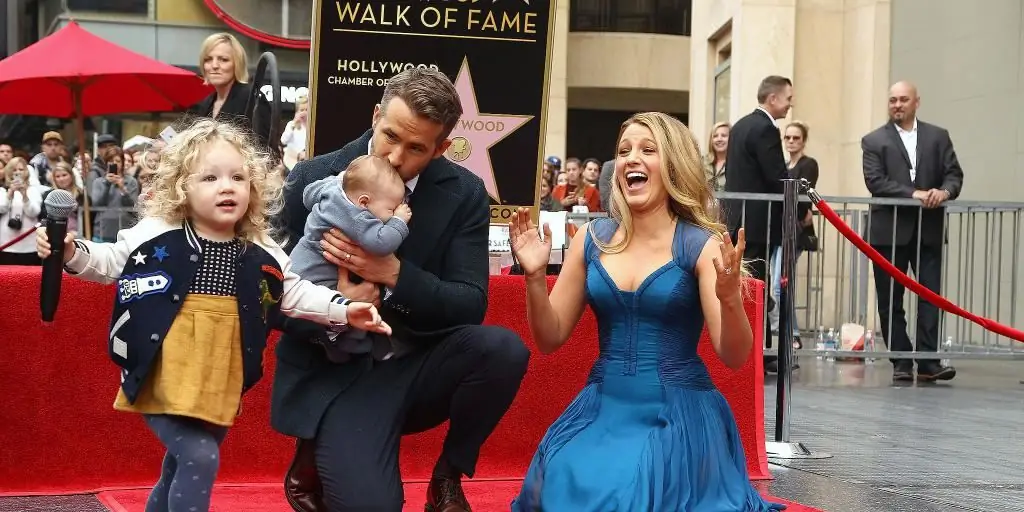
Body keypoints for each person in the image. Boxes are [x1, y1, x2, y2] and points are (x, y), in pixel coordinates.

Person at [34, 119, 391, 512]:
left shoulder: (259, 248)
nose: (227, 186)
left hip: (221, 377)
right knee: (199, 457)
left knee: (181, 464)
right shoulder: (158, 232)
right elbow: (109, 261)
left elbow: (293, 292)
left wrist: (343, 309)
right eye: (210, 177)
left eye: (238, 177)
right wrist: (70, 252)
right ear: (183, 187)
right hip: (162, 372)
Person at [271, 67, 530, 512]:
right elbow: (269, 298)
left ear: (441, 148)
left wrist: (393, 274)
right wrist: (337, 310)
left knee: (504, 349)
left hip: (418, 364)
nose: (394, 157)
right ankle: (314, 450)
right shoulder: (313, 179)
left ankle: (448, 476)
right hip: (337, 375)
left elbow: (470, 304)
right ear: (375, 116)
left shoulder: (465, 192)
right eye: (390, 135)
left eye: (416, 148)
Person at [507, 112, 785, 511]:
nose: (630, 159)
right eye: (623, 151)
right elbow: (549, 338)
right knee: (561, 479)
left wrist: (728, 297)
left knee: (626, 493)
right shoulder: (590, 239)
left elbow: (734, 355)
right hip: (602, 407)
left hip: (677, 413)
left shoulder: (701, 244)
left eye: (646, 149)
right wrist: (534, 276)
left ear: (673, 165)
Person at [862, 81, 962, 382]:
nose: (897, 105)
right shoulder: (873, 140)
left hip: (928, 230)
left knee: (931, 296)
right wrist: (915, 194)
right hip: (888, 232)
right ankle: (902, 361)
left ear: (917, 102)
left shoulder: (938, 136)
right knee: (890, 300)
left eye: (903, 99)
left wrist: (944, 192)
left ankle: (929, 361)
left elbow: (954, 174)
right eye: (892, 100)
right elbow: (875, 182)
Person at [289, 154, 412, 363]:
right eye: (390, 209)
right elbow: (381, 243)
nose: (391, 214)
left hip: (300, 264)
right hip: (317, 275)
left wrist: (341, 179)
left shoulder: (332, 188)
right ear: (364, 202)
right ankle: (348, 346)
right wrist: (399, 221)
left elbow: (308, 195)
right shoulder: (357, 216)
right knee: (344, 307)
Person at [723, 75, 793, 374]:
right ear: (773, 98)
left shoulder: (740, 125)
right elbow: (777, 175)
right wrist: (797, 203)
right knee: (757, 285)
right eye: (788, 98)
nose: (790, 104)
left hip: (739, 219)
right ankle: (759, 350)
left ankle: (756, 348)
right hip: (759, 221)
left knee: (748, 284)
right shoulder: (765, 128)